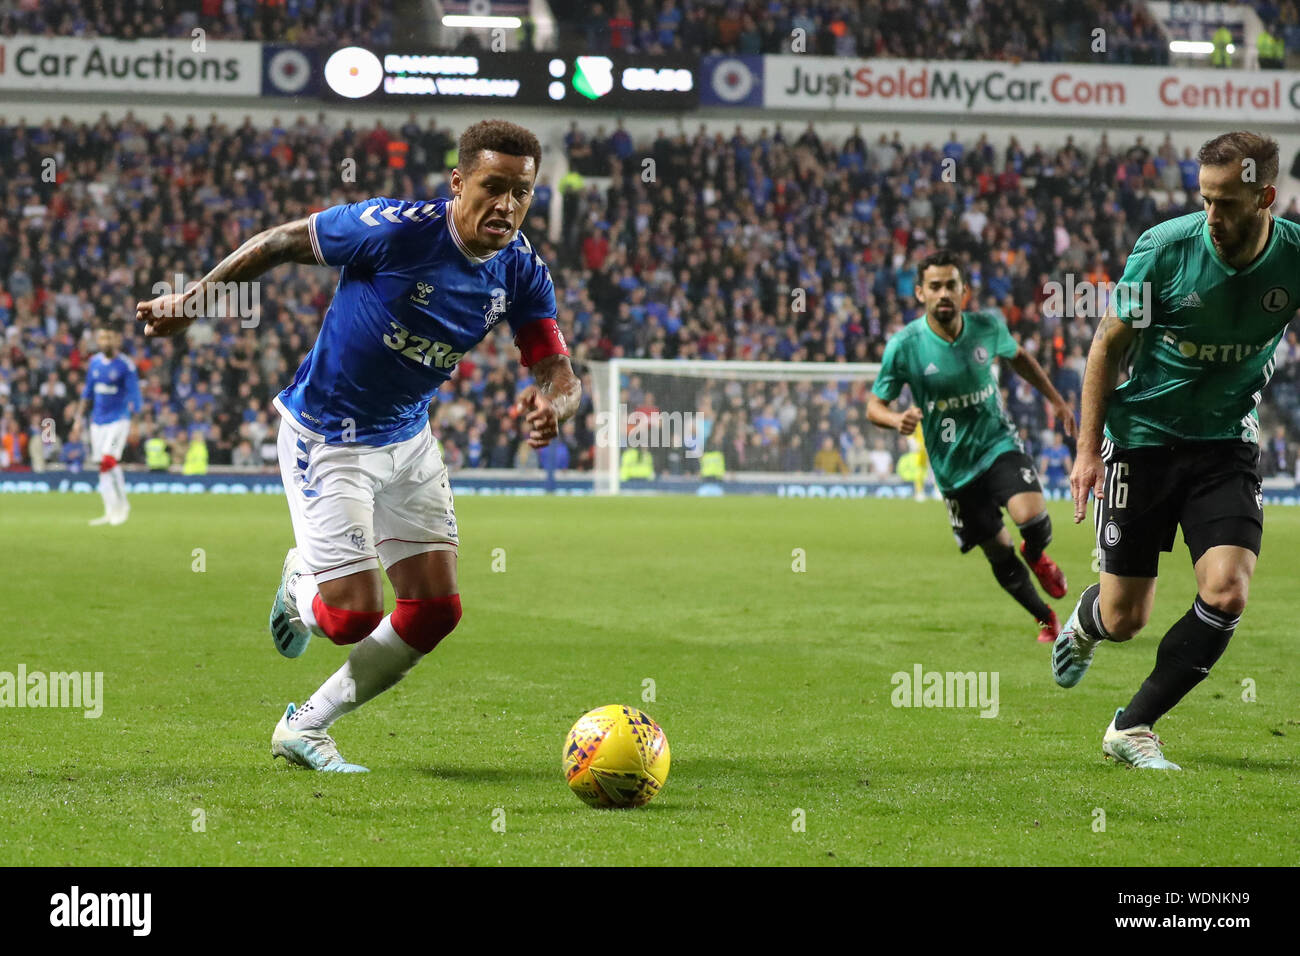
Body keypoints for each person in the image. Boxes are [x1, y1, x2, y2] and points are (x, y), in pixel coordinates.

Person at [135, 120, 580, 773]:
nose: (508, 205)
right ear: (458, 183)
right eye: (493, 187)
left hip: (409, 438)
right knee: (349, 616)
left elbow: (556, 370)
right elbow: (280, 241)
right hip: (330, 436)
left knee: (435, 611)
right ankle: (299, 585)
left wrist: (554, 406)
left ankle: (306, 725)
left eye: (523, 192)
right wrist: (194, 300)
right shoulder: (394, 230)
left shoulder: (520, 272)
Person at [1055, 132, 1299, 770]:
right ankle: (1085, 621)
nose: (1211, 216)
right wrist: (1086, 452)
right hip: (1143, 444)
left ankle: (1131, 726)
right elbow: (1108, 345)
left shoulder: (1295, 258)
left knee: (1227, 592)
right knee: (1125, 617)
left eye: (1226, 203)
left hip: (1225, 446)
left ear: (1265, 196)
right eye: (1205, 200)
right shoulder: (1163, 250)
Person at [868, 250, 1077, 643]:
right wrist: (897, 420)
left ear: (964, 291)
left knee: (1031, 517)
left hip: (996, 443)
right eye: (935, 286)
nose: (943, 293)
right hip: (953, 469)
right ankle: (1045, 618)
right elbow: (873, 406)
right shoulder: (905, 345)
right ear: (920, 293)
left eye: (951, 285)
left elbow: (1021, 360)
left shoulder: (986, 326)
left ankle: (1036, 553)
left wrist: (1057, 401)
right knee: (998, 552)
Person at [70, 321, 141, 525]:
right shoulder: (94, 362)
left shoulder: (125, 365)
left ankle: (123, 506)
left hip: (118, 420)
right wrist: (78, 419)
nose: (104, 341)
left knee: (108, 461)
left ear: (117, 340)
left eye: (108, 337)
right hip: (97, 421)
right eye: (101, 337)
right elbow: (87, 393)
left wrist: (135, 423)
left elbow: (135, 395)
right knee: (103, 465)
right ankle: (110, 511)